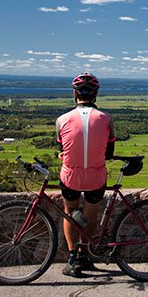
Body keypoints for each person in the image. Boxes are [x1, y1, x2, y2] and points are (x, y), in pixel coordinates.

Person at [56, 71, 115, 277]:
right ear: (96, 94)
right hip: (96, 177)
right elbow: (109, 153)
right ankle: (84, 255)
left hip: (70, 176)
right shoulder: (106, 119)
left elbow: (63, 148)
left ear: (75, 94)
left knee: (70, 212)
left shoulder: (61, 119)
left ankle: (72, 258)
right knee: (90, 215)